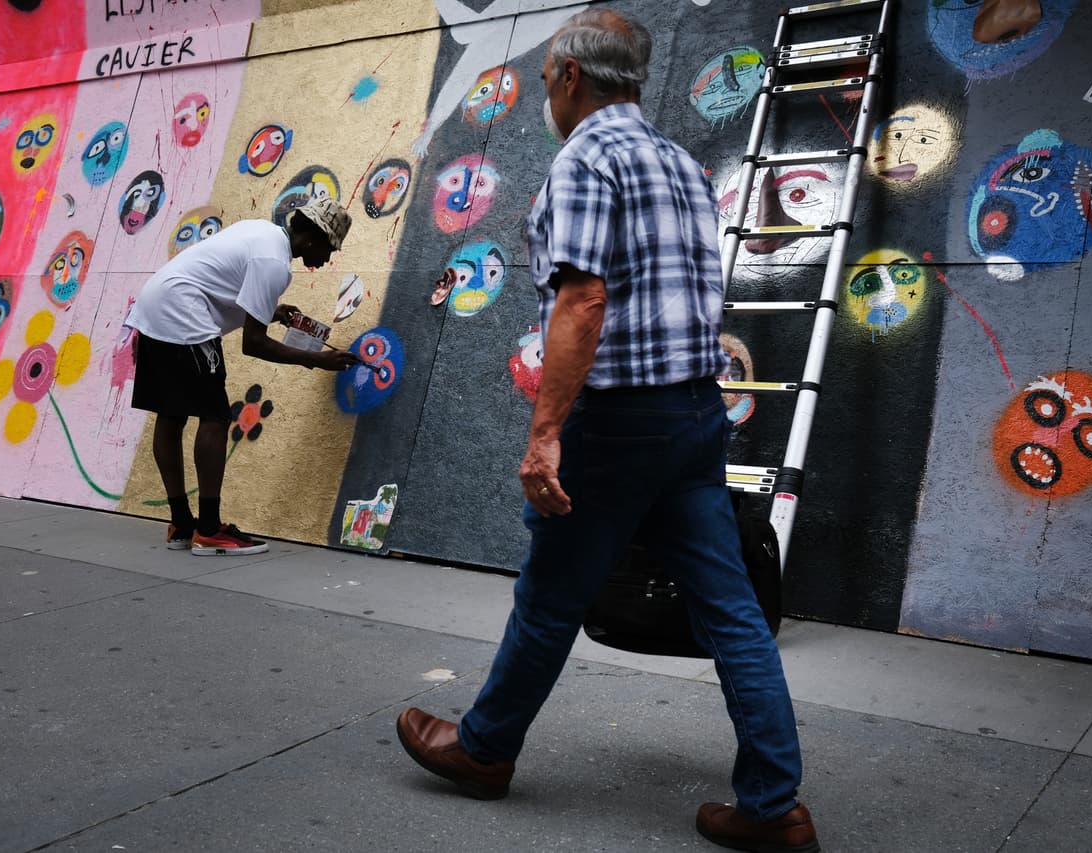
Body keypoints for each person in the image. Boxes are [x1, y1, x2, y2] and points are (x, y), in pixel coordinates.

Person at [394, 9, 819, 852]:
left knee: (551, 596)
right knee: (731, 609)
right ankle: (775, 804)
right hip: (697, 415)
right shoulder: (680, 164)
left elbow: (582, 299)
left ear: (570, 78)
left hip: (619, 422)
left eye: (551, 76)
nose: (549, 90)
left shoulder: (586, 157)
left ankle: (483, 749)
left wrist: (546, 432)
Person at [126, 195, 359, 556]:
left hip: (156, 303)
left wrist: (271, 309)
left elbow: (222, 279)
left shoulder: (261, 231)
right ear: (312, 237)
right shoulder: (275, 264)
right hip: (184, 314)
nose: (326, 259)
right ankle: (208, 529)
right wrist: (316, 361)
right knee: (215, 417)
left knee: (170, 416)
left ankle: (181, 524)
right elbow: (254, 344)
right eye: (329, 249)